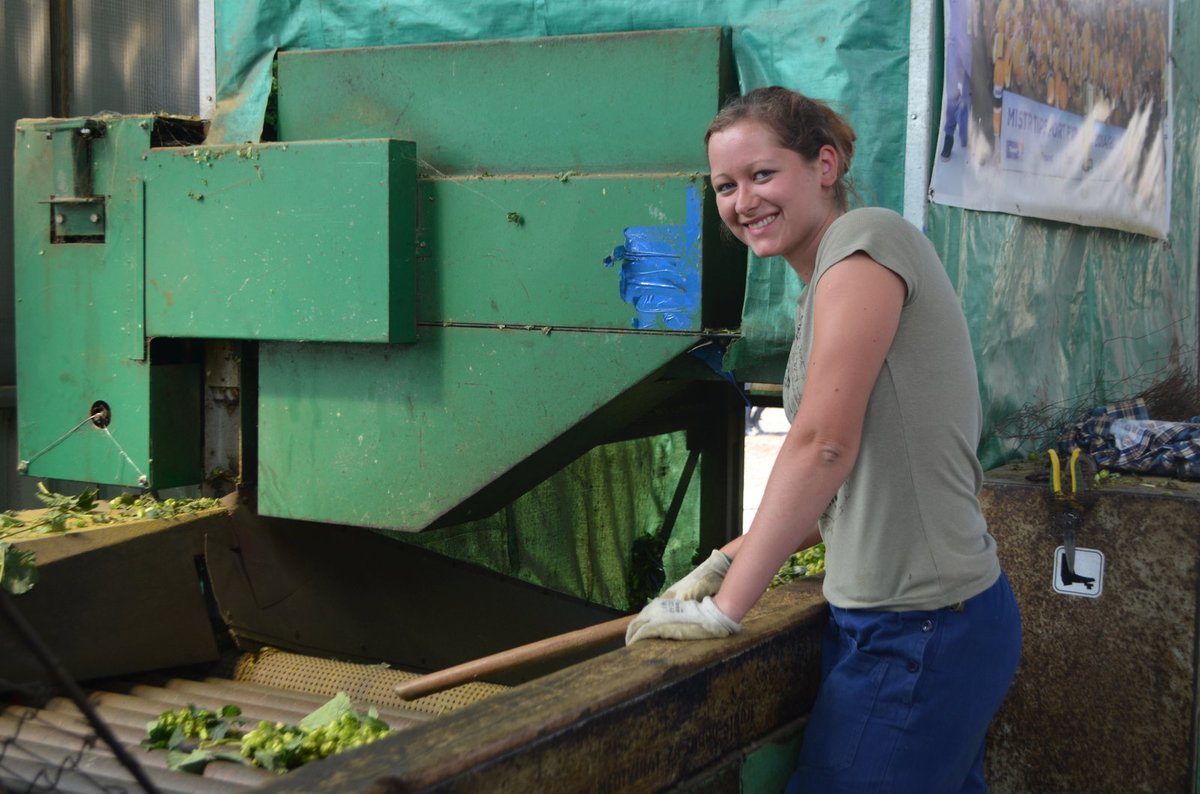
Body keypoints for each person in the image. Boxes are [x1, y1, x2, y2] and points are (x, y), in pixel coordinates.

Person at [625, 86, 1022, 793]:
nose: (742, 201)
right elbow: (854, 475)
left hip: (920, 630)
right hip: (910, 625)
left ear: (826, 165)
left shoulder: (868, 242)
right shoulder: (827, 283)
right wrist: (724, 559)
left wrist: (725, 610)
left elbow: (823, 446)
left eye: (762, 174)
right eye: (724, 186)